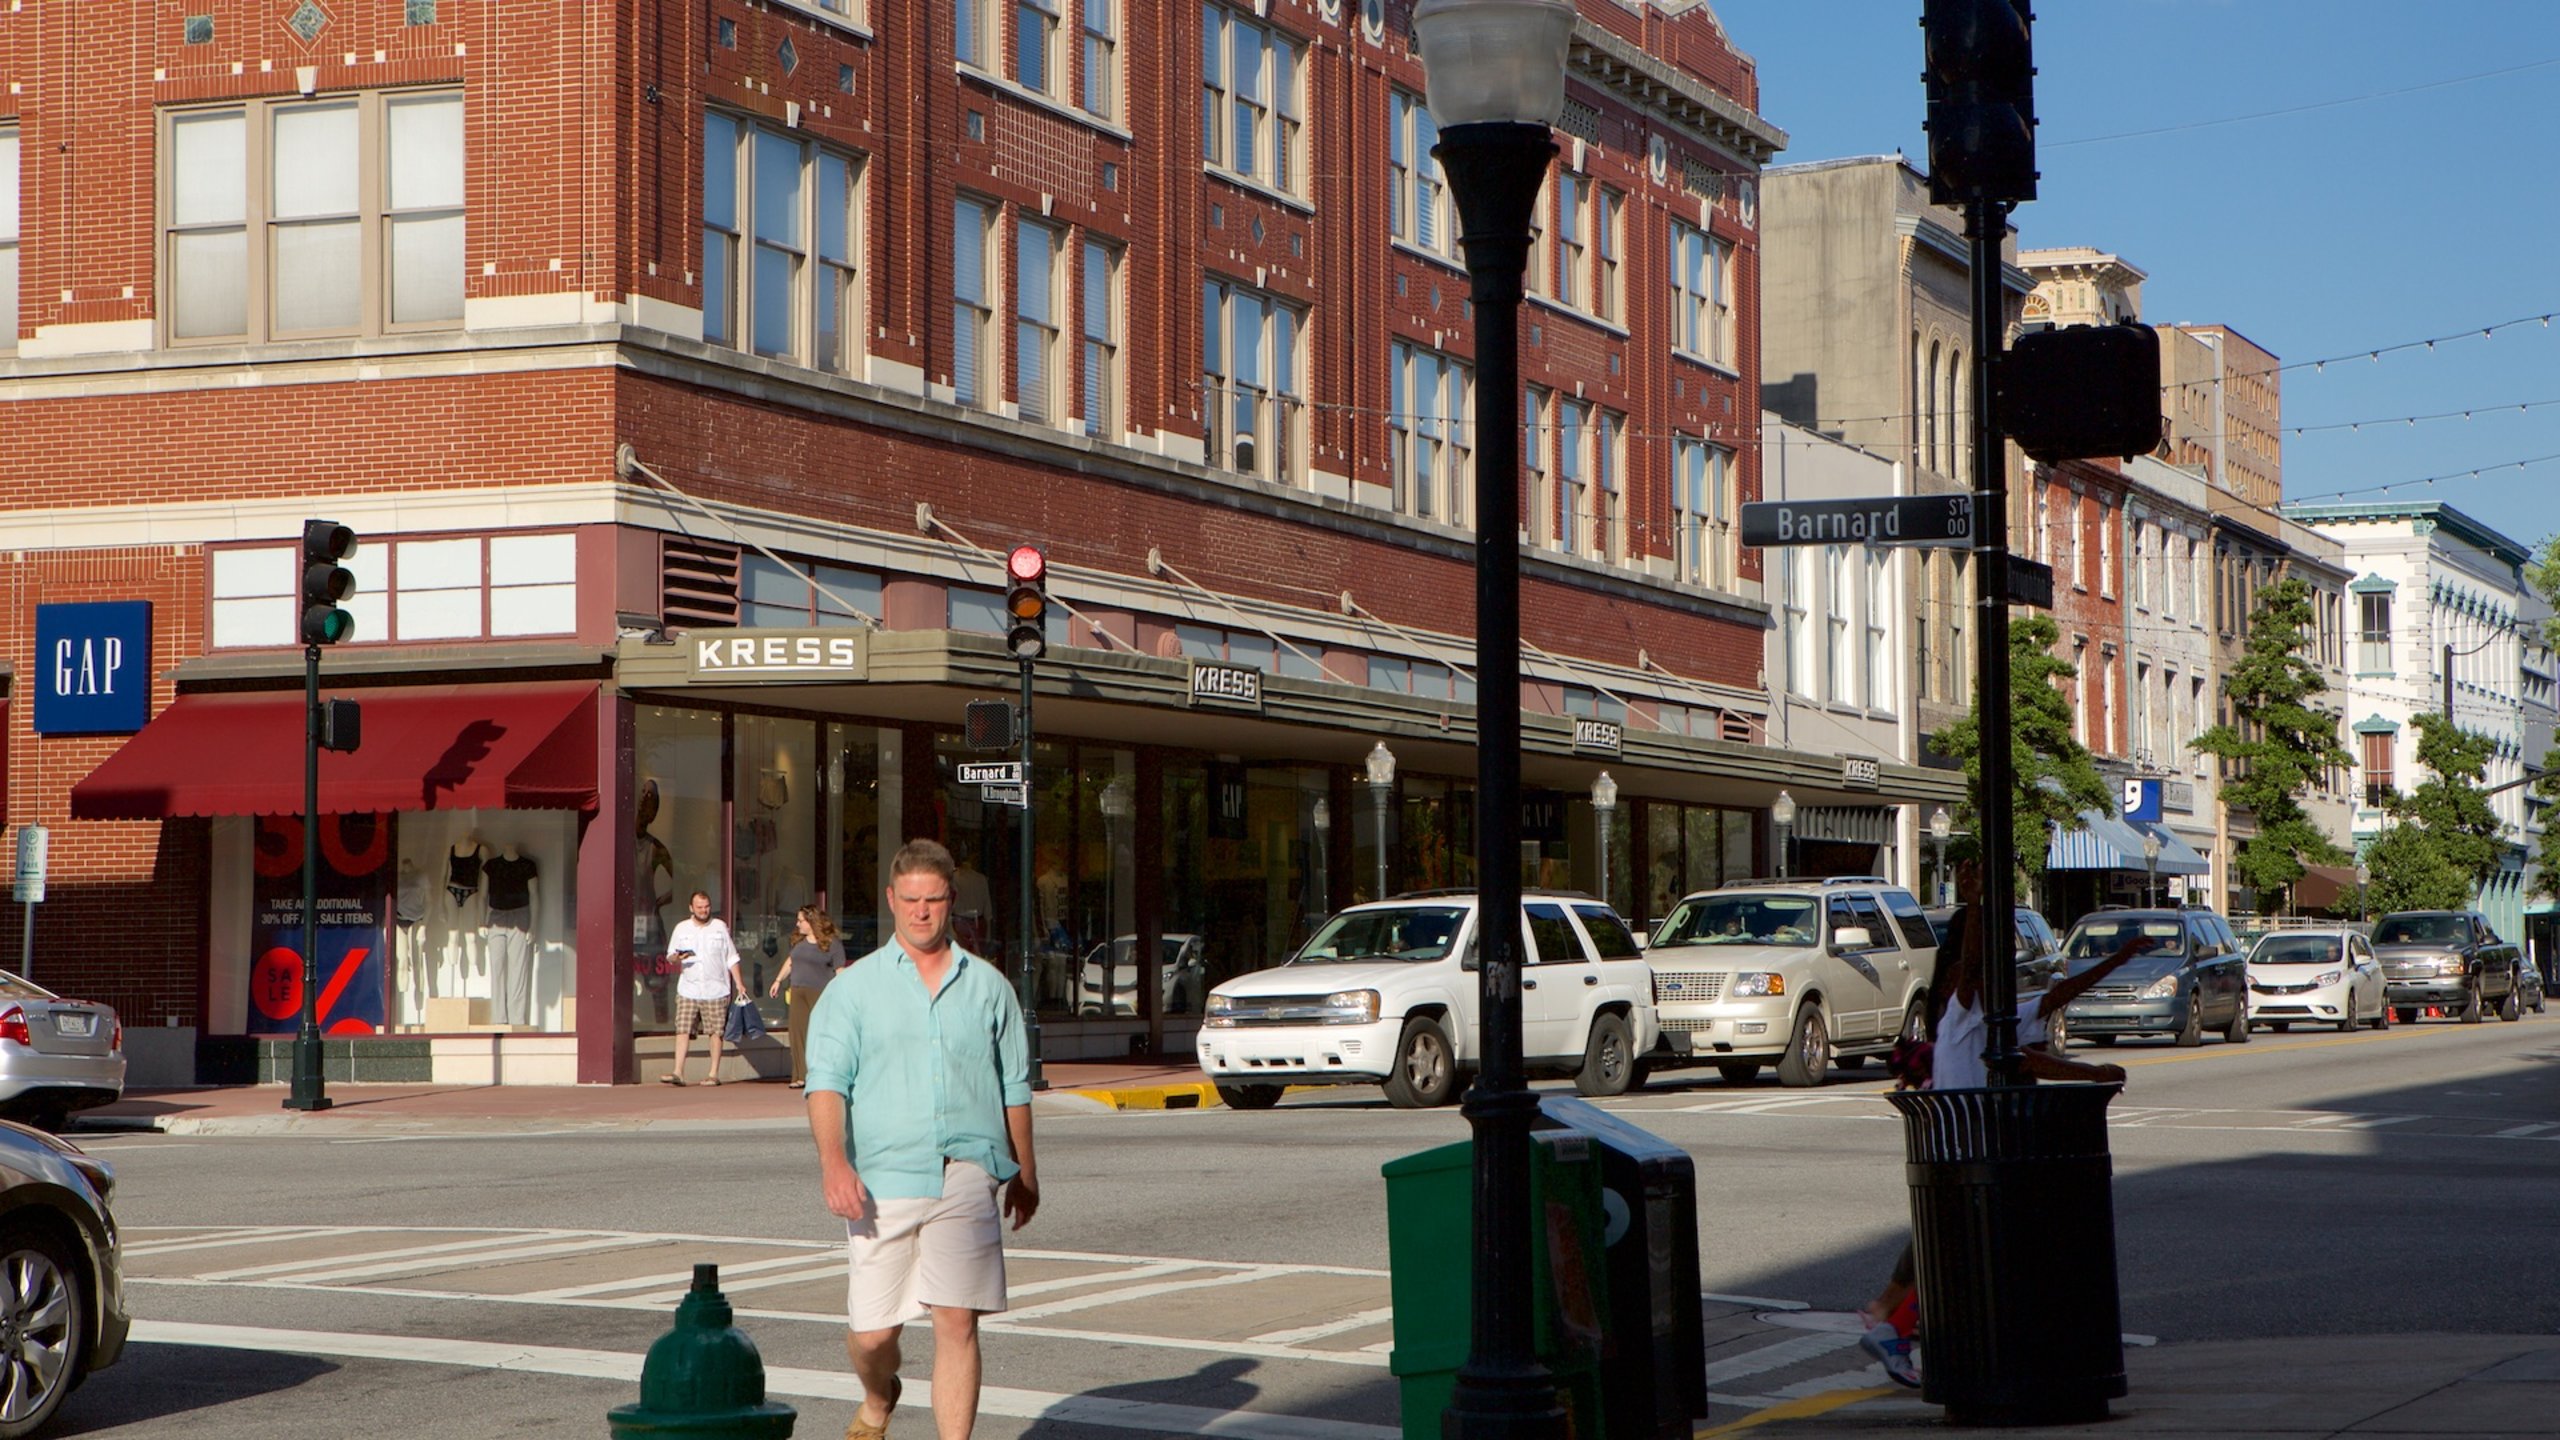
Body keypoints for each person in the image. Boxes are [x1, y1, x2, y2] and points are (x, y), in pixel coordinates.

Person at [803, 839, 1037, 1440]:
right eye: (910, 900)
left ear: (951, 900)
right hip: (882, 1179)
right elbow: (827, 1084)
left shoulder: (988, 987)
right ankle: (879, 1396)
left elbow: (1014, 1086)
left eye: (933, 899)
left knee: (957, 1321)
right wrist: (834, 1164)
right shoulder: (853, 990)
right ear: (891, 899)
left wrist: (1026, 1173)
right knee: (875, 1334)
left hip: (967, 1169)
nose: (921, 912)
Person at [663, 891, 745, 1086]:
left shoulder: (719, 928)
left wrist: (739, 983)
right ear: (691, 908)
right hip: (688, 988)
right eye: (699, 907)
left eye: (706, 906)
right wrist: (676, 957)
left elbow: (731, 957)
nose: (703, 910)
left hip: (716, 989)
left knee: (716, 1032)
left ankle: (713, 1073)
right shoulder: (681, 928)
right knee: (682, 1029)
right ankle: (678, 1072)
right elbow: (670, 955)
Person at [769, 905, 849, 1089]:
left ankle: (823, 1073)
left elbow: (840, 970)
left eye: (801, 921)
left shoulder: (831, 943)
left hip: (820, 992)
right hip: (798, 990)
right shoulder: (798, 941)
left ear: (812, 921)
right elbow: (790, 962)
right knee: (797, 1033)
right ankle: (799, 1075)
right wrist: (778, 980)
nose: (798, 924)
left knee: (820, 1033)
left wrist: (843, 993)